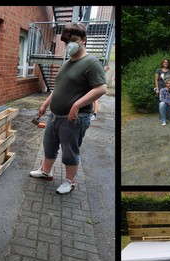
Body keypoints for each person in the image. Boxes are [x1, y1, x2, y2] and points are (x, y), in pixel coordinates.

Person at [30, 23, 106, 195]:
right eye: (66, 41)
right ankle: (46, 171)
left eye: (74, 40)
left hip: (73, 118)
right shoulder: (67, 62)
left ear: (83, 40)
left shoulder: (91, 63)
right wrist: (44, 105)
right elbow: (58, 88)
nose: (69, 44)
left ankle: (69, 182)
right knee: (49, 146)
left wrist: (77, 104)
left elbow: (101, 88)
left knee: (70, 151)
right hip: (54, 115)